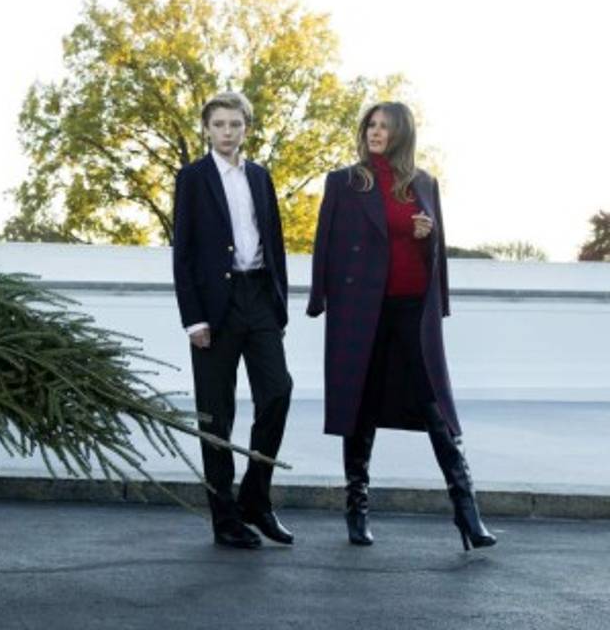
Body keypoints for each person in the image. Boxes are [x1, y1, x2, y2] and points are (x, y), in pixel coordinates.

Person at [306, 102, 496, 550]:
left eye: (385, 127)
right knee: (361, 405)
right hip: (360, 310)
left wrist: (426, 237)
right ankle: (357, 510)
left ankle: (467, 512)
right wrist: (320, 300)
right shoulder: (345, 182)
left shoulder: (424, 183)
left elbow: (439, 252)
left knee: (435, 407)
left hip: (414, 310)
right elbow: (324, 244)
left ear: (402, 133)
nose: (375, 132)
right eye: (371, 125)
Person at [172, 90, 293, 549]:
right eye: (219, 124)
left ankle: (256, 501)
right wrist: (194, 319)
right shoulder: (193, 178)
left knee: (278, 392)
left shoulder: (260, 177)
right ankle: (225, 519)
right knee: (216, 415)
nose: (227, 132)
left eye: (235, 124)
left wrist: (277, 306)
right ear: (207, 128)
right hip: (214, 310)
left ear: (246, 127)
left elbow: (275, 243)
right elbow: (182, 255)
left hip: (258, 297)